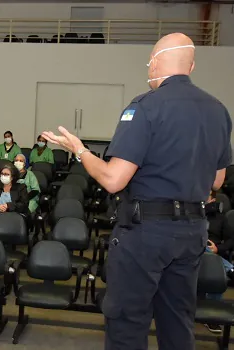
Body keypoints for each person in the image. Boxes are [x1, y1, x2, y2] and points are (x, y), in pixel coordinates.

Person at [42, 33, 232, 350]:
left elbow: (114, 179)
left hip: (147, 234)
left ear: (156, 62)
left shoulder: (145, 107)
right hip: (192, 233)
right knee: (178, 321)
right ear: (192, 65)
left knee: (127, 322)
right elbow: (217, 181)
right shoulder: (218, 111)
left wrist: (79, 151)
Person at [203, 191, 234, 333]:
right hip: (190, 250)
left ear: (213, 199)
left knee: (212, 261)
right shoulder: (190, 214)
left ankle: (212, 316)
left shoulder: (221, 218)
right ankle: (231, 269)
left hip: (212, 254)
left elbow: (230, 241)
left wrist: (217, 248)